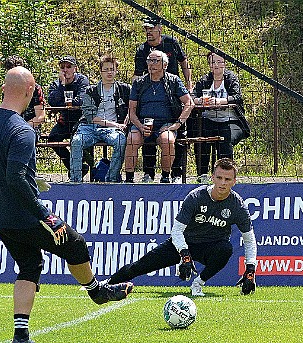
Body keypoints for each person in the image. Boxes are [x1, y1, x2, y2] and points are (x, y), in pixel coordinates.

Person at [0, 66, 133, 343]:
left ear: (3, 90)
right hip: (22, 215)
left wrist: (32, 180)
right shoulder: (22, 130)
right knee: (75, 244)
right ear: (30, 92)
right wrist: (45, 214)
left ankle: (21, 337)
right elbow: (15, 178)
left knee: (30, 264)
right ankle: (97, 291)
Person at [108, 158, 257, 297]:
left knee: (226, 249)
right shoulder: (196, 197)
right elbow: (177, 230)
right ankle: (107, 285)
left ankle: (198, 283)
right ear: (212, 178)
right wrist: (185, 254)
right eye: (219, 178)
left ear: (234, 182)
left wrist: (250, 269)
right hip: (183, 243)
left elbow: (249, 240)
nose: (222, 183)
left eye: (227, 179)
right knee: (139, 267)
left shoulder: (238, 205)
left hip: (211, 247)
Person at [133, 17, 193, 184]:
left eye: (151, 28)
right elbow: (137, 74)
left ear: (159, 28)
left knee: (175, 136)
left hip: (173, 92)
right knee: (148, 134)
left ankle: (174, 173)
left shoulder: (171, 42)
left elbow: (183, 62)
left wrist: (188, 83)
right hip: (150, 91)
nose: (148, 32)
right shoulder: (142, 50)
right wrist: (135, 92)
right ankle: (148, 173)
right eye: (146, 29)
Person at [70, 55, 130, 182]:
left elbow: (135, 105)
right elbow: (92, 118)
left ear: (116, 70)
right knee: (76, 141)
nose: (109, 72)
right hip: (90, 128)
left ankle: (112, 179)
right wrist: (116, 125)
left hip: (113, 131)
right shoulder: (90, 91)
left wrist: (127, 119)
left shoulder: (125, 89)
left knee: (120, 141)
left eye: (112, 69)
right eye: (106, 69)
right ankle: (75, 181)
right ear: (100, 71)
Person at [192, 52, 250, 183]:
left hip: (230, 120)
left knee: (225, 138)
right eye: (213, 62)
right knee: (201, 137)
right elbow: (191, 97)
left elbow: (237, 97)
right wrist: (200, 101)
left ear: (225, 63)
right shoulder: (204, 80)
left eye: (219, 62)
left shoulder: (231, 78)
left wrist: (220, 101)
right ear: (209, 65)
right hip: (208, 119)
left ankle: (227, 175)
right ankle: (203, 175)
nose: (216, 65)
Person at [47, 55, 90, 174]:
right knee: (53, 140)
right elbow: (52, 102)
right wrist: (63, 85)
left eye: (69, 66)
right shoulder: (57, 84)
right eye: (62, 67)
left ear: (75, 68)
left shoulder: (82, 80)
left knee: (79, 141)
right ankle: (75, 167)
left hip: (82, 121)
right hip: (65, 121)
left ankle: (91, 168)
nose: (65, 70)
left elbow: (82, 100)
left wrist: (66, 103)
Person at [3, 55, 45, 129]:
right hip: (9, 127)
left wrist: (21, 128)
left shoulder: (35, 88)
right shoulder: (7, 88)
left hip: (30, 127)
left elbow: (40, 117)